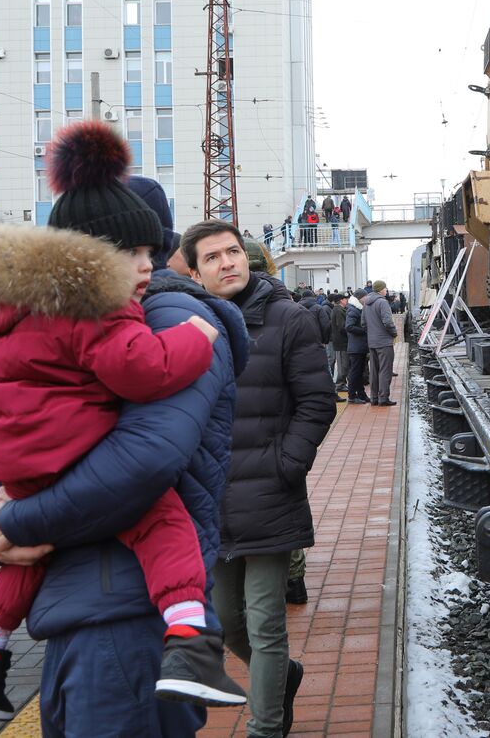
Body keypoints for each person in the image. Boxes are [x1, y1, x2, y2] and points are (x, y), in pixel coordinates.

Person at [0, 124, 246, 720]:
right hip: (85, 613)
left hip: (127, 618)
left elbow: (142, 463)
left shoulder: (167, 315)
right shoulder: (92, 316)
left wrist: (11, 519)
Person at [183, 220, 336, 738]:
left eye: (232, 252)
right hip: (213, 500)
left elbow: (317, 401)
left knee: (267, 623)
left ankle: (266, 727)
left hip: (270, 493)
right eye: (213, 257)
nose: (227, 262)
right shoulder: (189, 323)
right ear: (196, 271)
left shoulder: (288, 319)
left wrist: (286, 464)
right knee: (226, 620)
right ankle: (283, 678)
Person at [363, 281, 398, 408]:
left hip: (372, 342)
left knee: (374, 370)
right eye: (385, 288)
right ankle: (383, 398)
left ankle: (374, 397)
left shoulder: (366, 303)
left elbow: (363, 323)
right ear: (380, 290)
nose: (386, 290)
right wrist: (394, 333)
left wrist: (372, 334)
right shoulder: (383, 302)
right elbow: (388, 322)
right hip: (384, 342)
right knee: (385, 370)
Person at [344, 290, 369, 405]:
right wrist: (364, 331)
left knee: (359, 372)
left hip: (359, 346)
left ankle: (361, 394)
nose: (366, 299)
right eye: (365, 297)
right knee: (355, 372)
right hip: (356, 347)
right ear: (360, 298)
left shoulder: (357, 308)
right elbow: (349, 326)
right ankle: (352, 396)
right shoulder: (354, 310)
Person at [329, 295, 349, 394]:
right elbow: (341, 327)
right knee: (342, 364)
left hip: (342, 341)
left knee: (344, 363)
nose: (347, 300)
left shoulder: (339, 310)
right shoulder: (338, 310)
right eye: (346, 299)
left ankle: (342, 383)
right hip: (341, 342)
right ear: (341, 300)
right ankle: (340, 384)